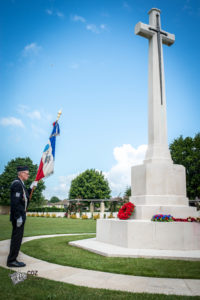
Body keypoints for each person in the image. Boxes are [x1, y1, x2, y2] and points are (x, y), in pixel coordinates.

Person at [7, 166, 37, 268]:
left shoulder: (21, 184)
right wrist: (18, 217)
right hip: (18, 217)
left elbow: (25, 197)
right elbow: (15, 203)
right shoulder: (17, 184)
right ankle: (11, 260)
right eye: (27, 173)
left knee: (18, 239)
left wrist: (31, 187)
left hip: (20, 216)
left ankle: (13, 259)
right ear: (21, 173)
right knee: (16, 239)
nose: (28, 175)